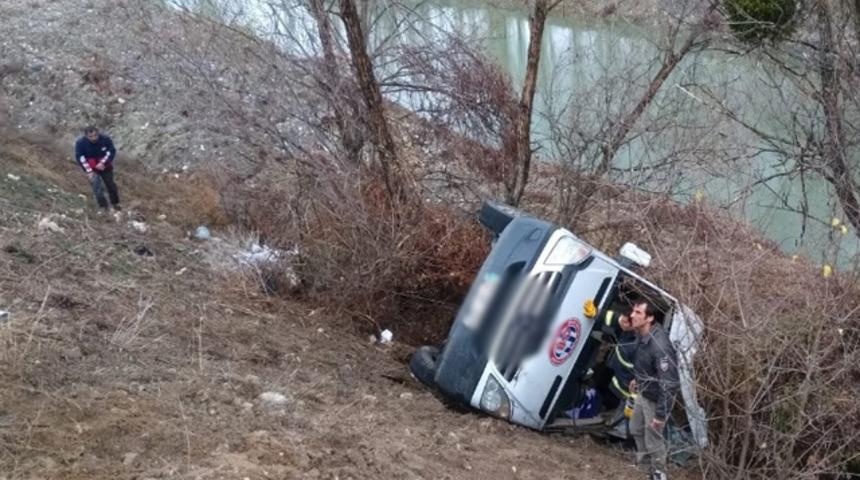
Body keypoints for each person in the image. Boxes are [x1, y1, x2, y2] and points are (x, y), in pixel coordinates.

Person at [628, 299, 679, 480]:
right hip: (644, 391)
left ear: (649, 318)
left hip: (656, 398)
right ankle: (645, 467)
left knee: (653, 439)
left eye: (638, 313)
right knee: (635, 428)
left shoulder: (660, 345)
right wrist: (638, 379)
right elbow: (646, 363)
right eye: (633, 311)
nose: (632, 315)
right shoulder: (642, 334)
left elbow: (670, 383)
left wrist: (660, 415)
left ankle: (659, 474)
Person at [75, 126, 121, 211]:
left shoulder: (105, 139)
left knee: (111, 185)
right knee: (97, 187)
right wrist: (89, 171)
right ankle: (103, 207)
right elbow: (80, 158)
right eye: (91, 136)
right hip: (91, 168)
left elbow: (111, 151)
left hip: (105, 166)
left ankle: (116, 204)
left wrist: (103, 163)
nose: (94, 138)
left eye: (95, 135)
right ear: (86, 136)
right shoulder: (80, 143)